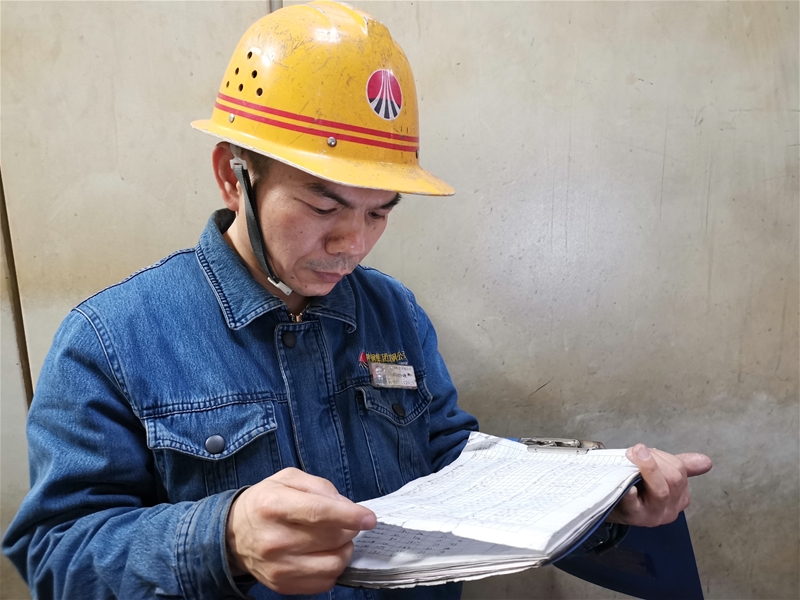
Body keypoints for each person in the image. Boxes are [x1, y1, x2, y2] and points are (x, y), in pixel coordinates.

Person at [2, 2, 711, 599]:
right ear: (232, 176)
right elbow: (55, 553)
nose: (352, 244)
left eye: (379, 212)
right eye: (323, 206)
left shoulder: (393, 312)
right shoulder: (109, 340)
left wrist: (601, 499)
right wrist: (224, 536)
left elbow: (452, 463)